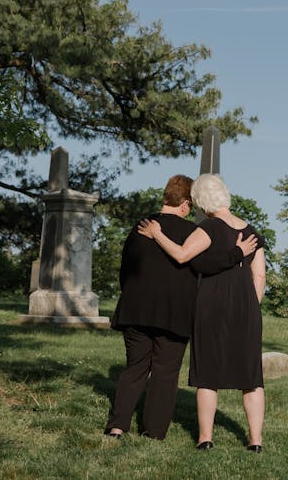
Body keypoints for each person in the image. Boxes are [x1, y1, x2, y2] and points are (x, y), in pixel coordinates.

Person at [105, 174, 256, 439]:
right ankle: (154, 432)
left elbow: (125, 269)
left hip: (136, 308)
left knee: (134, 367)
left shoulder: (141, 227)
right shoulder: (191, 233)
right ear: (186, 204)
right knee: (165, 371)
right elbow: (204, 267)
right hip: (174, 314)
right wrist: (236, 255)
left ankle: (117, 426)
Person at [138, 174, 267, 452]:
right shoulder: (252, 232)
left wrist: (158, 234)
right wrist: (249, 306)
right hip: (247, 310)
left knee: (207, 374)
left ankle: (205, 438)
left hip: (211, 306)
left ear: (201, 202)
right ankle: (255, 441)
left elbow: (182, 255)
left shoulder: (209, 227)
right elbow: (260, 276)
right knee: (252, 377)